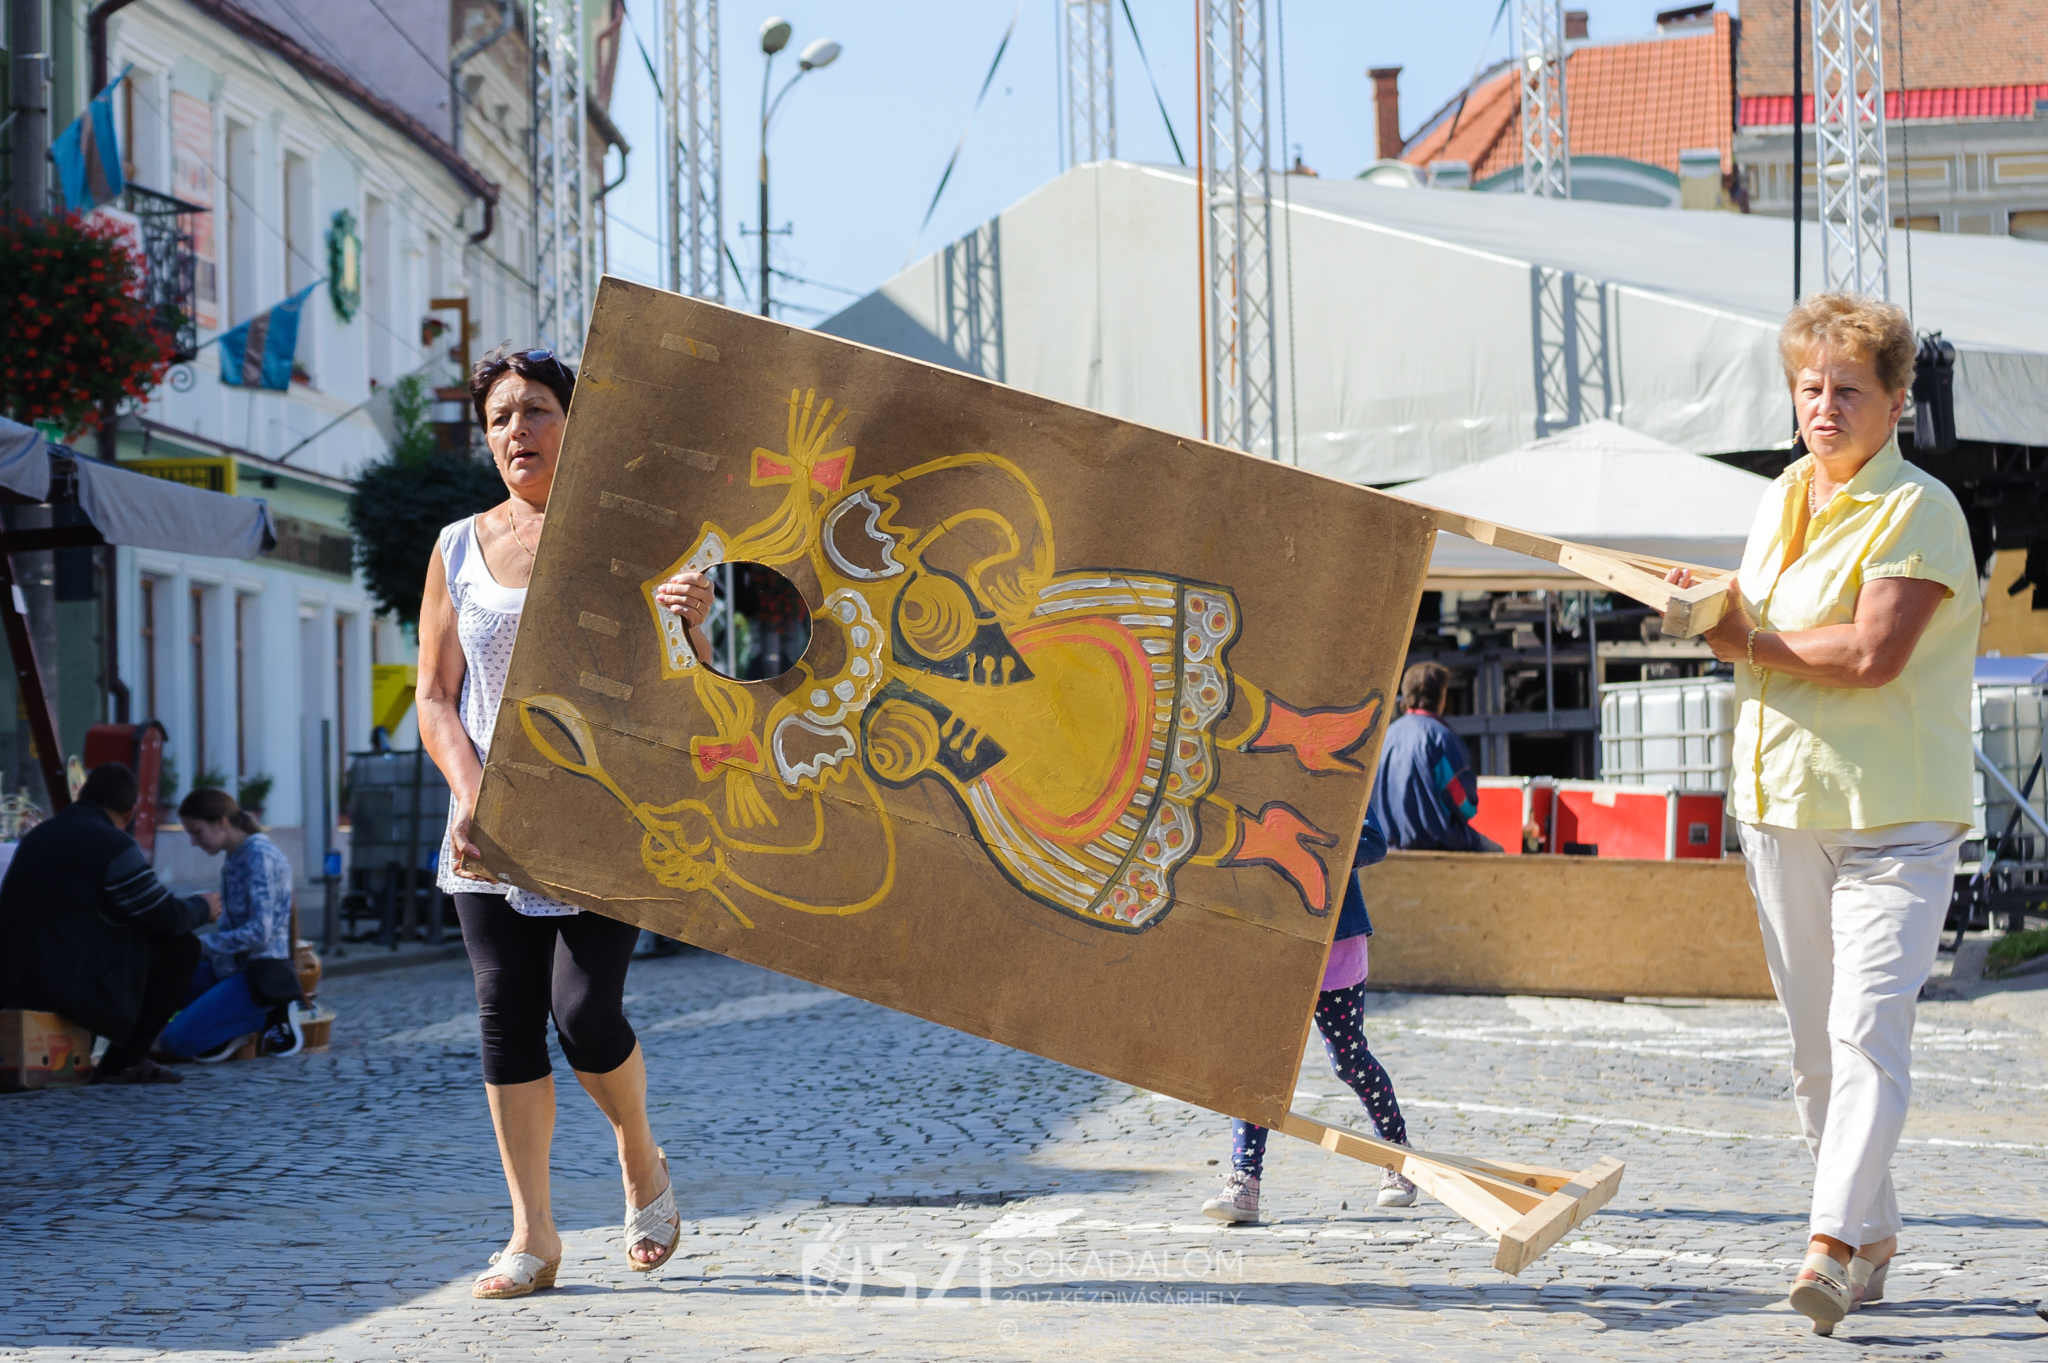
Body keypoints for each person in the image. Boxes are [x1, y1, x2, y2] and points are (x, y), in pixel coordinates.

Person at [1665, 294, 1977, 1336]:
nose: (1824, 406)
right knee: (1813, 1057)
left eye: (1848, 388)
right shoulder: (1780, 498)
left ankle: (1830, 1249)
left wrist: (1742, 642)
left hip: (1896, 818)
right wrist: (1708, 601)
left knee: (1865, 1031)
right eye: (1809, 387)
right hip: (1780, 808)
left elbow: (1870, 652)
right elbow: (1763, 611)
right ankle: (1873, 1233)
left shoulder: (1920, 509)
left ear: (1896, 401)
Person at [418, 344, 718, 1299]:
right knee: (506, 1019)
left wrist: (695, 621)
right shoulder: (457, 548)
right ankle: (533, 1234)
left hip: (604, 815)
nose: (519, 430)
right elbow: (435, 696)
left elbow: (680, 690)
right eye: (500, 417)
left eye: (538, 410)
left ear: (573, 423)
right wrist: (472, 793)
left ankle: (638, 1150)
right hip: (489, 828)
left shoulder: (626, 539)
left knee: (585, 1015)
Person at [1200, 808, 1417, 1222]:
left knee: (1349, 1061)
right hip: (1275, 943)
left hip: (1336, 943)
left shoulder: (1344, 781)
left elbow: (1373, 842)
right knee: (1258, 1063)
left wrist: (1305, 844)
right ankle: (1245, 1181)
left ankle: (1398, 1158)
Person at [0, 762, 218, 1085]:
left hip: (15, 983)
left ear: (83, 796)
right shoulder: (112, 846)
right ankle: (124, 1061)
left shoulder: (39, 836)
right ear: (129, 813)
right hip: (66, 987)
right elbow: (168, 917)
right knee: (183, 948)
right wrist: (204, 906)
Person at [156, 787, 303, 1061]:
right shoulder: (235, 855)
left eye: (197, 832)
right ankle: (222, 1020)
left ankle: (268, 1014)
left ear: (221, 822)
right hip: (229, 969)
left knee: (174, 1042)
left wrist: (200, 945)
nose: (193, 842)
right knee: (160, 973)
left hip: (257, 975)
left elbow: (260, 932)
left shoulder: (260, 856)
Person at [1368, 661, 1502, 854]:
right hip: (1437, 841)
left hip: (1386, 846)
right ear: (1441, 696)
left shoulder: (1385, 736)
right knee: (1497, 852)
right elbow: (1466, 807)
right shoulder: (1442, 738)